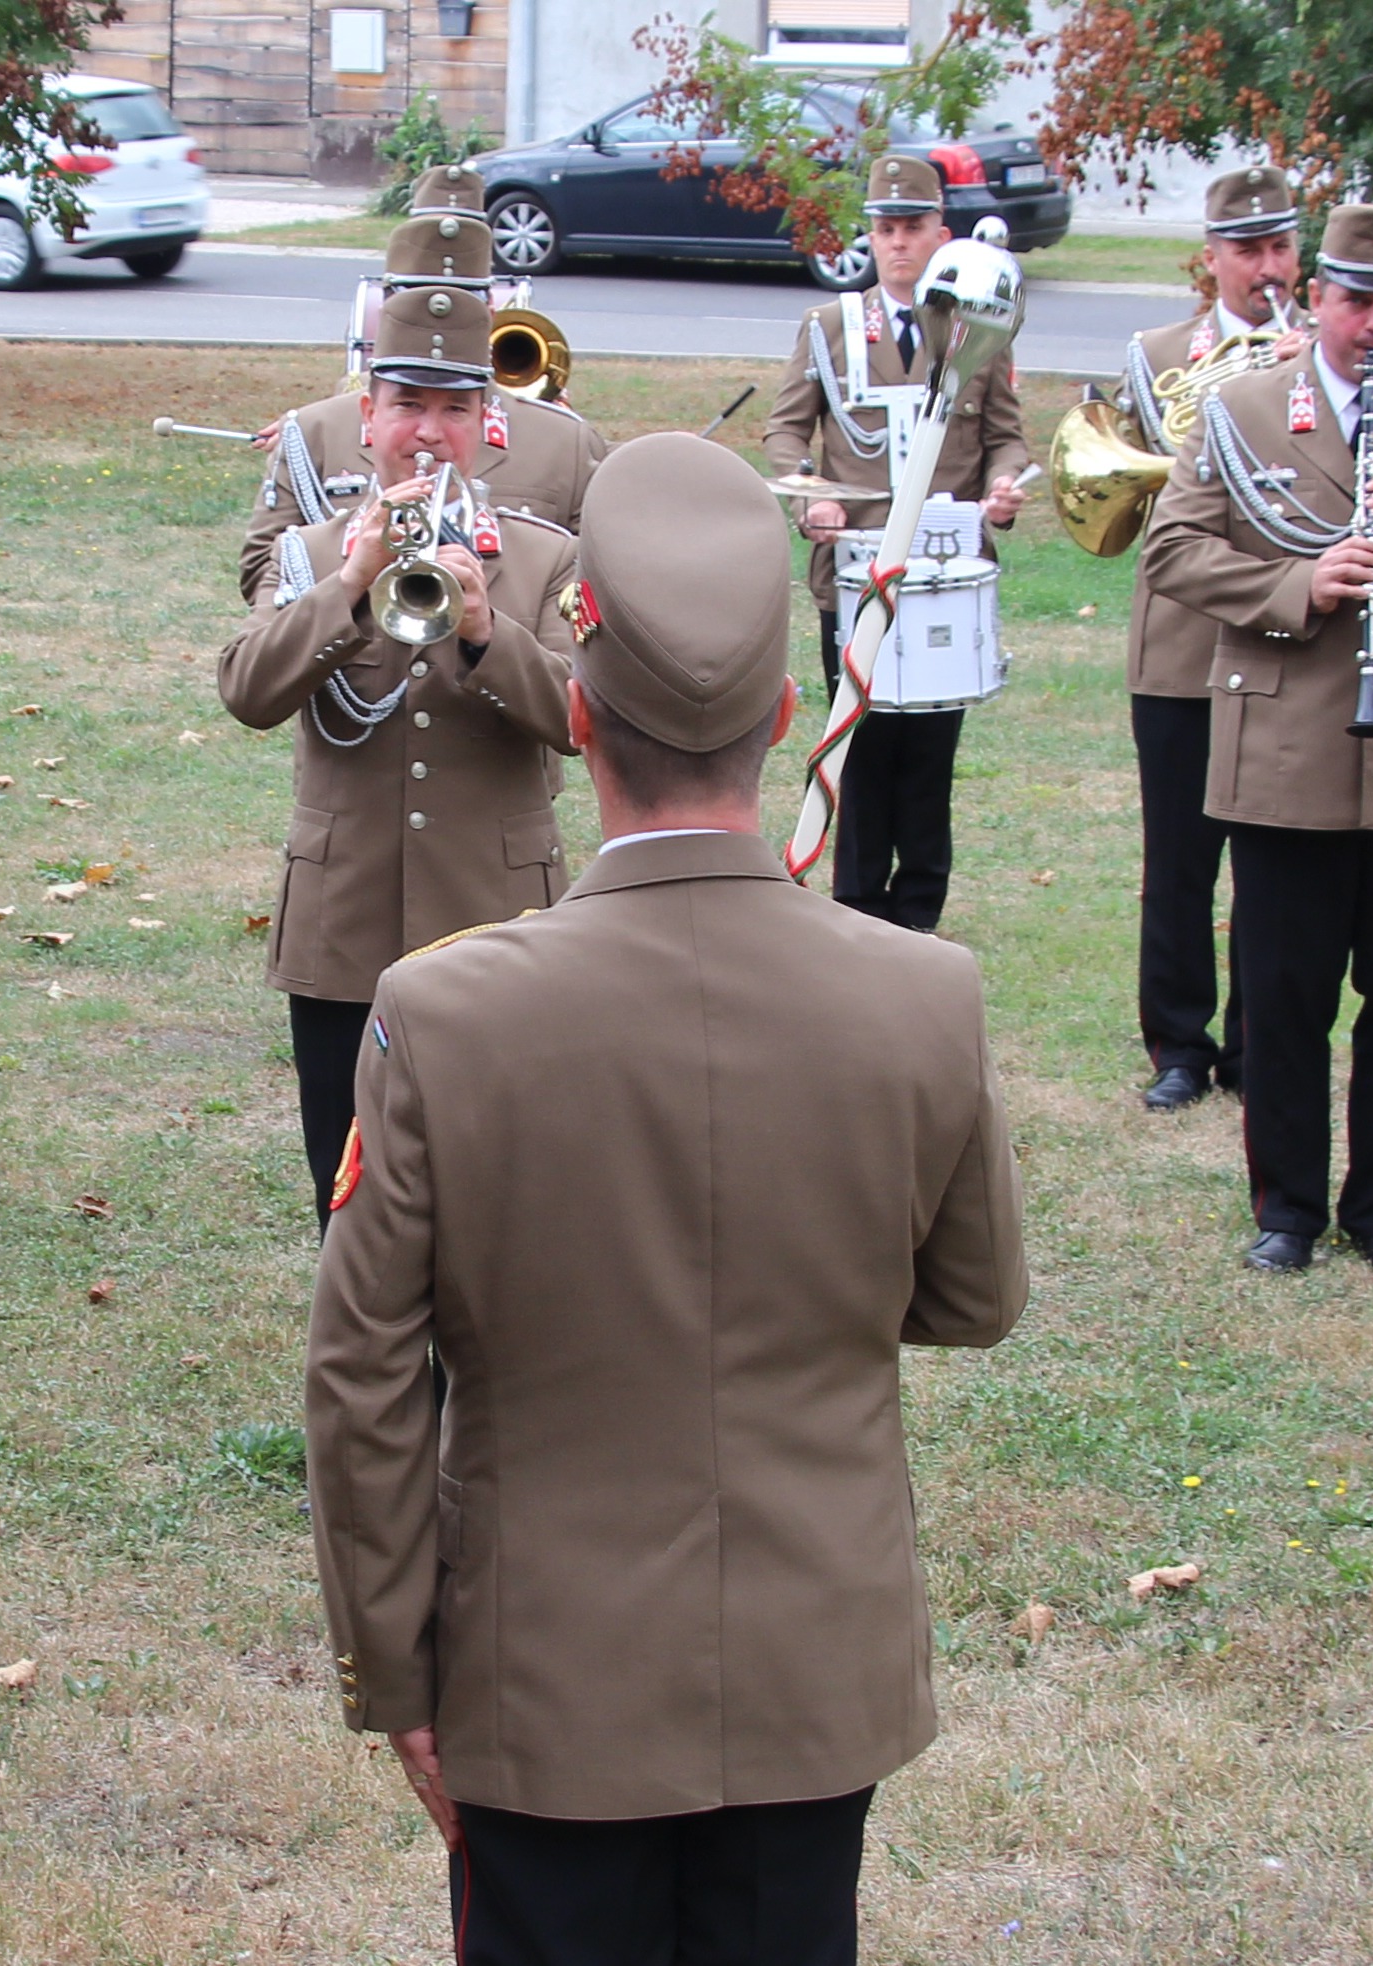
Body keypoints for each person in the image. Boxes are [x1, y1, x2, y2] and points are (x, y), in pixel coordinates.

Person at [309, 430, 1026, 1957]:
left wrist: (395, 1670)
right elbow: (974, 1302)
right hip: (811, 1667)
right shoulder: (922, 993)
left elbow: (364, 1376)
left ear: (577, 707)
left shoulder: (445, 1014)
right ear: (782, 714)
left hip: (542, 1669)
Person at [1139, 198, 1373, 1277]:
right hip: (1287, 740)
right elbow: (1174, 554)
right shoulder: (1247, 408)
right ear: (1322, 296)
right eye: (1355, 302)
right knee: (1286, 995)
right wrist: (1298, 582)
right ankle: (1287, 1211)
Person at [218, 285, 580, 1205]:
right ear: (367, 417)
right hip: (348, 925)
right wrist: (349, 583)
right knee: (344, 1189)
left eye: (455, 409)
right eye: (407, 405)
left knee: (492, 1190)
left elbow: (581, 722)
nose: (429, 433)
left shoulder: (543, 558)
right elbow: (249, 693)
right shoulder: (310, 554)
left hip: (496, 920)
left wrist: (486, 630)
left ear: (489, 422)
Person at [765, 153, 1030, 933]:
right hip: (851, 576)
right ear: (871, 237)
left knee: (929, 763)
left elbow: (1007, 439)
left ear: (941, 234)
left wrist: (1007, 489)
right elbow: (786, 429)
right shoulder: (833, 327)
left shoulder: (978, 324)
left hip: (942, 574)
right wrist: (808, 496)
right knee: (860, 750)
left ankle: (919, 914)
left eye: (913, 228)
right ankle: (856, 910)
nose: (899, 244)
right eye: (886, 229)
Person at [1108, 164, 1309, 1116]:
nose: (1265, 269)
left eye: (1280, 248)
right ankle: (1180, 1044)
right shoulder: (1157, 355)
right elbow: (1117, 484)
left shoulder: (1332, 353)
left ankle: (1263, 1044)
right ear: (1213, 259)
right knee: (1180, 860)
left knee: (1276, 869)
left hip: (1290, 641)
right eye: (1246, 251)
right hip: (1185, 642)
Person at [236, 206, 607, 616]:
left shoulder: (565, 441)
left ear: (489, 310)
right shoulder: (312, 430)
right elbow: (263, 577)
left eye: (463, 297)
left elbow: (588, 596)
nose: (437, 308)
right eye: (415, 294)